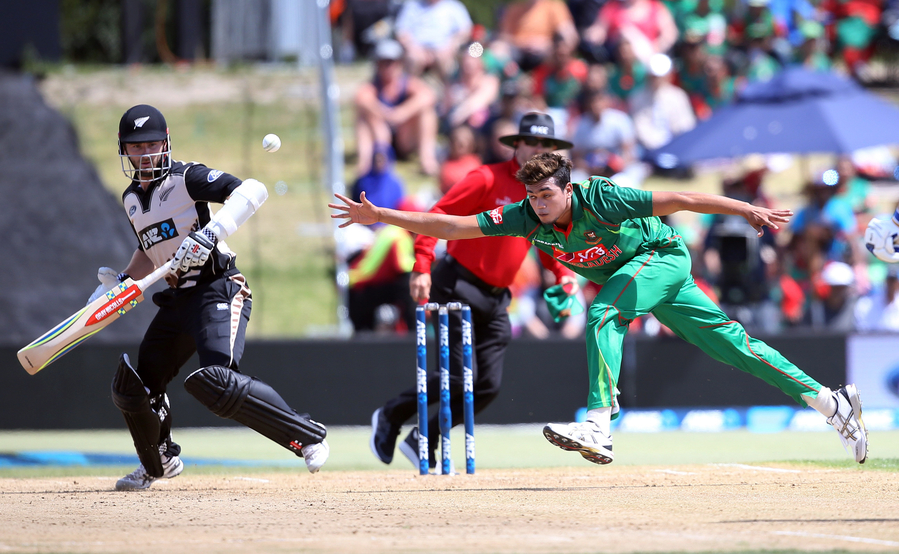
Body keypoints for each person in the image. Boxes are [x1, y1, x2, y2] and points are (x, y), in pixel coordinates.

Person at [331, 152, 869, 466]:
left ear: (568, 188)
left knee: (602, 313)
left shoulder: (602, 197)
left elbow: (679, 201)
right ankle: (831, 402)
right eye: (534, 197)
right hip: (639, 280)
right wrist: (382, 215)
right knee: (736, 348)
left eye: (548, 195)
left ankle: (598, 423)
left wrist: (745, 209)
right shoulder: (526, 218)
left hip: (662, 257)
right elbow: (452, 227)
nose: (540, 205)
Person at [94, 105, 329, 490]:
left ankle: (307, 434)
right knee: (136, 384)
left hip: (217, 288)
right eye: (136, 147)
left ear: (166, 143)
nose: (146, 153)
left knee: (216, 380)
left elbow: (252, 190)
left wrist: (211, 233)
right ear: (124, 151)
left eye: (153, 144)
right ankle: (160, 461)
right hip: (176, 302)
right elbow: (148, 251)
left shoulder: (187, 177)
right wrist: (120, 282)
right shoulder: (131, 199)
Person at [366, 113, 578, 469]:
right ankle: (390, 414)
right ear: (517, 145)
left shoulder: (545, 194)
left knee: (487, 385)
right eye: (532, 143)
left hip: (497, 296)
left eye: (546, 146)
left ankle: (424, 437)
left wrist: (562, 275)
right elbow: (438, 216)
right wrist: (422, 264)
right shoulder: (485, 178)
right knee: (459, 376)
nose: (538, 150)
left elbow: (551, 240)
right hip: (457, 283)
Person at [354, 39, 440, 176]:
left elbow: (429, 96)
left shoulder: (407, 82)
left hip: (404, 138)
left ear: (399, 63)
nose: (387, 67)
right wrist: (385, 113)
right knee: (365, 116)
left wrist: (402, 113)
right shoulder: (374, 86)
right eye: (383, 62)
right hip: (381, 136)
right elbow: (361, 98)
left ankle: (427, 160)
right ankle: (365, 163)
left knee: (427, 112)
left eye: (391, 62)